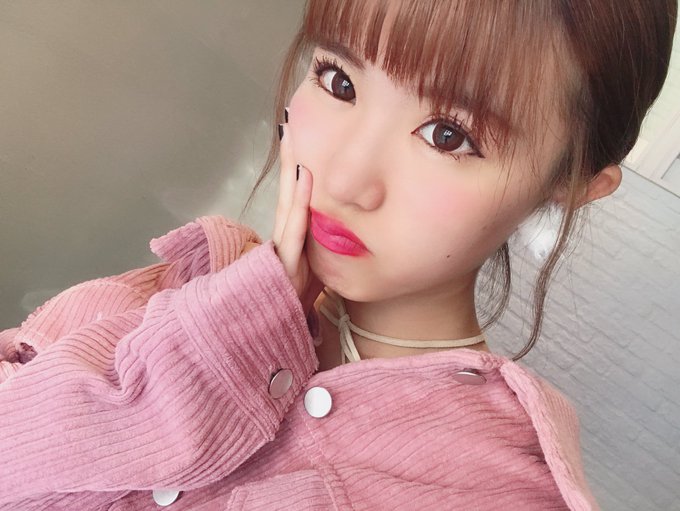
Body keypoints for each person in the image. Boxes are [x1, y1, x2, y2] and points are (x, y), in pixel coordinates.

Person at [0, 1, 675, 509]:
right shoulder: (198, 276)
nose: (347, 179)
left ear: (571, 185)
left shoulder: (493, 487)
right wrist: (218, 347)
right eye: (339, 81)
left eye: (448, 135)